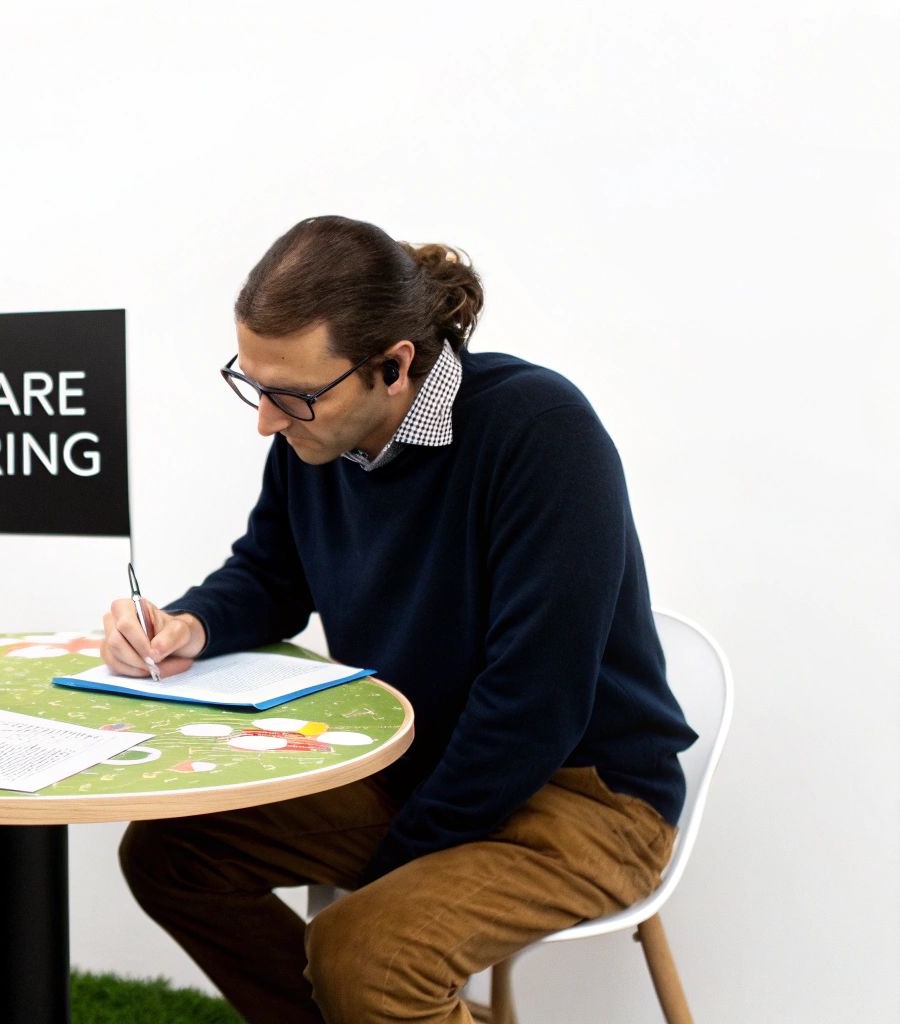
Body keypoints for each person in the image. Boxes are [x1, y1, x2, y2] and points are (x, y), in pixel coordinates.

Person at [102, 215, 696, 1024]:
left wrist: (397, 866)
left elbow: (533, 705)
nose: (266, 422)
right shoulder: (316, 437)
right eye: (253, 384)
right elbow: (271, 575)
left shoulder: (540, 432)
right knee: (171, 853)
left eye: (291, 396)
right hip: (421, 763)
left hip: (586, 795)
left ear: (394, 365)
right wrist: (189, 624)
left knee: (365, 956)